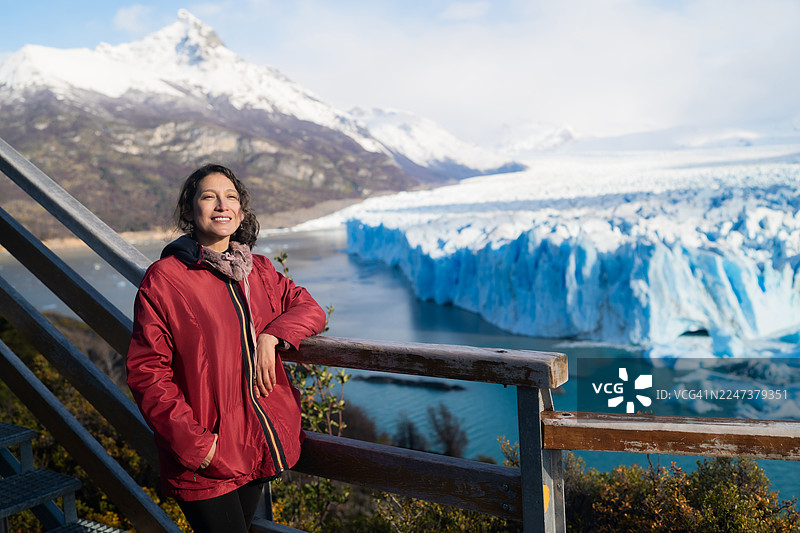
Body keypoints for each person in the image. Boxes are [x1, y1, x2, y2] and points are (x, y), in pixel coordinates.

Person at [126, 163, 327, 533]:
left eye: (231, 197)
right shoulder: (166, 279)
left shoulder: (260, 271)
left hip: (254, 443)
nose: (222, 205)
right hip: (207, 454)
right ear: (189, 211)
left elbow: (309, 308)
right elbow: (147, 372)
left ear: (242, 212)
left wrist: (272, 335)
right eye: (209, 197)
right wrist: (198, 447)